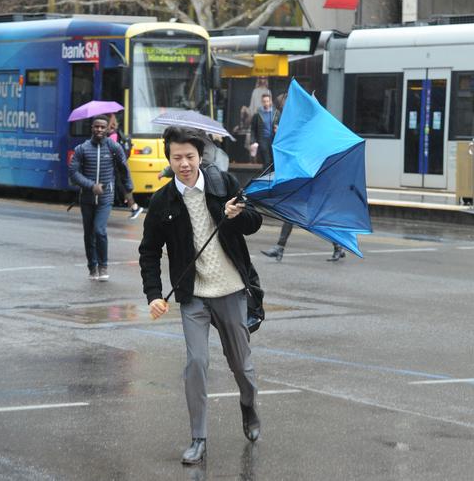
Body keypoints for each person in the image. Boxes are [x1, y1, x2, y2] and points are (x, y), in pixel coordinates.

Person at [139, 126, 262, 465]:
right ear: (170, 158)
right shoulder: (162, 201)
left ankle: (248, 404)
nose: (184, 164)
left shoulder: (224, 185)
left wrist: (238, 216)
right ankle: (199, 438)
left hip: (231, 289)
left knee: (241, 364)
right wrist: (153, 294)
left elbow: (255, 221)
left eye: (189, 157)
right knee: (196, 362)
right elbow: (149, 252)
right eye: (177, 157)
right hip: (193, 295)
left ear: (200, 156)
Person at [69, 115, 134, 280]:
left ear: (107, 129)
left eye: (102, 127)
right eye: (96, 126)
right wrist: (91, 186)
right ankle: (92, 267)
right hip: (87, 198)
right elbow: (73, 173)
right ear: (92, 128)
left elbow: (123, 169)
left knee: (99, 230)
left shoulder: (114, 147)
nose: (99, 129)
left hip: (106, 197)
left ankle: (103, 266)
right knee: (88, 234)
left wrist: (129, 191)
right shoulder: (82, 149)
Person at [107, 113, 143, 220]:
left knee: (122, 187)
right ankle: (134, 207)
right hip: (118, 166)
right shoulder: (114, 133)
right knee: (121, 187)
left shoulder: (112, 134)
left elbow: (111, 150)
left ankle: (134, 207)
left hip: (117, 166)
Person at [261, 222, 346, 262]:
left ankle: (338, 246)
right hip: (304, 196)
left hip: (314, 197)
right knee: (288, 217)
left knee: (321, 222)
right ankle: (279, 247)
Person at [250, 93, 280, 168]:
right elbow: (253, 128)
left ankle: (273, 176)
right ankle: (266, 176)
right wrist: (253, 141)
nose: (266, 103)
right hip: (263, 139)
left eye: (267, 101)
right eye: (264, 101)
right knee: (266, 160)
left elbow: (282, 125)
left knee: (274, 160)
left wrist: (278, 129)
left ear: (270, 101)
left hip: (274, 138)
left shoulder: (276, 113)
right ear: (262, 102)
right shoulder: (258, 114)